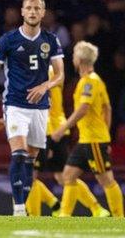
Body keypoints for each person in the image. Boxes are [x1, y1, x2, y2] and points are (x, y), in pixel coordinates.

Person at [0, 0, 64, 216]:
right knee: (18, 154)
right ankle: (18, 208)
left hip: (41, 108)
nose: (33, 12)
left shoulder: (51, 40)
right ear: (22, 11)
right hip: (15, 105)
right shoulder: (8, 40)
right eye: (29, 8)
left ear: (43, 12)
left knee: (30, 162)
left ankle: (24, 205)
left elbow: (60, 75)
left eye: (37, 8)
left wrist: (45, 86)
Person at [51, 41, 123, 217]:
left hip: (94, 140)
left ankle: (119, 218)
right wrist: (106, 134)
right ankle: (65, 216)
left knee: (106, 180)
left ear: (80, 60)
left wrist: (63, 128)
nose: (73, 58)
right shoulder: (93, 80)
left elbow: (83, 109)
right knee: (68, 175)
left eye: (75, 55)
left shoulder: (89, 82)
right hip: (87, 140)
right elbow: (108, 108)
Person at [26, 67, 109, 217]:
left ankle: (36, 216)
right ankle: (94, 208)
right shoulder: (52, 70)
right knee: (61, 177)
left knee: (30, 176)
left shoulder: (41, 71)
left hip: (47, 130)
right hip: (56, 127)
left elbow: (43, 99)